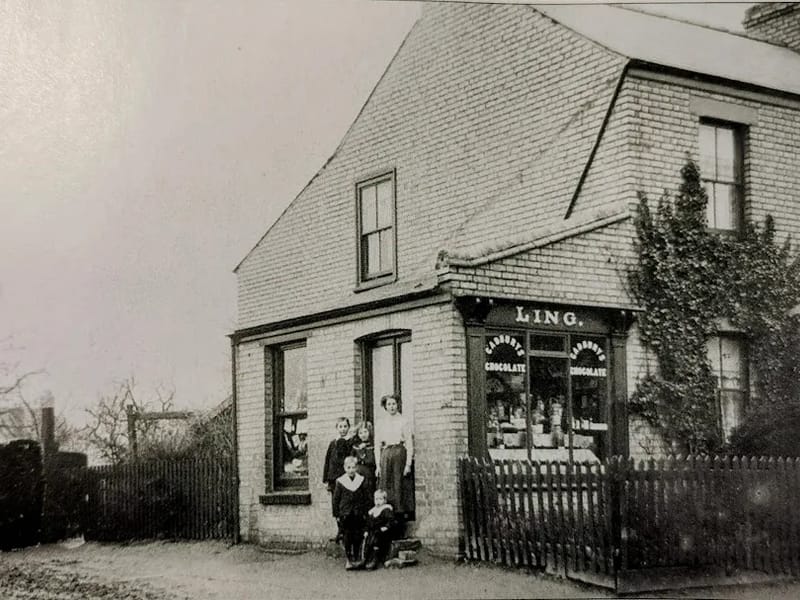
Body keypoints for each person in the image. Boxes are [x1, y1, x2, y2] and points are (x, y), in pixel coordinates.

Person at [374, 394, 415, 521]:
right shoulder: (381, 422)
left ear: (398, 405)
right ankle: (386, 515)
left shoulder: (404, 421)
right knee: (386, 484)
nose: (391, 407)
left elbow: (409, 442)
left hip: (399, 454)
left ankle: (400, 515)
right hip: (386, 454)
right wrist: (378, 465)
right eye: (389, 404)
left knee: (399, 484)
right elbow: (377, 444)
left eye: (394, 404)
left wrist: (408, 464)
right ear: (385, 407)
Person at [332, 456, 371, 570]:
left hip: (358, 513)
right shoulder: (340, 482)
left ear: (356, 468)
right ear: (345, 468)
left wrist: (366, 512)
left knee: (358, 535)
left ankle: (358, 558)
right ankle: (349, 558)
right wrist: (337, 515)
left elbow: (366, 498)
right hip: (346, 514)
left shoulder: (361, 480)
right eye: (349, 467)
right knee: (347, 536)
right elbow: (336, 500)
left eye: (353, 467)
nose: (351, 470)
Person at [361, 488, 396, 570]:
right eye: (376, 499)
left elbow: (391, 521)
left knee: (376, 539)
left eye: (380, 499)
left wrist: (386, 527)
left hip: (383, 532)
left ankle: (374, 559)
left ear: (384, 500)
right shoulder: (372, 511)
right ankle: (365, 558)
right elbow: (368, 523)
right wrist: (366, 530)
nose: (378, 501)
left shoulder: (386, 509)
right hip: (373, 531)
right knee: (367, 539)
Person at [323, 417, 352, 493]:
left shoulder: (351, 442)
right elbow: (327, 460)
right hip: (334, 477)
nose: (343, 429)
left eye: (345, 426)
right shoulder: (333, 443)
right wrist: (325, 479)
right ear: (337, 428)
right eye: (340, 427)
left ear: (349, 427)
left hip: (346, 476)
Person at [350, 421, 376, 497]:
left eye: (365, 432)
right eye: (360, 433)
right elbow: (352, 459)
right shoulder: (356, 446)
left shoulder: (373, 445)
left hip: (370, 473)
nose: (363, 435)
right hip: (359, 473)